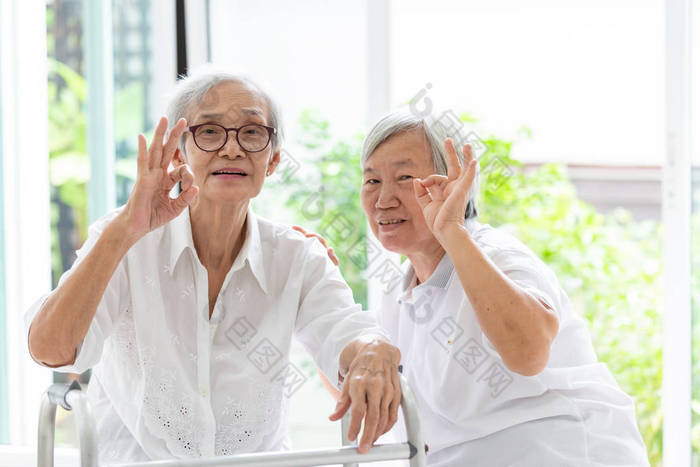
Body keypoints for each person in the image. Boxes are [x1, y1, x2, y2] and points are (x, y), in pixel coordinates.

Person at [24, 69, 401, 463]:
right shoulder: (126, 240)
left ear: (272, 161)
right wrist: (123, 232)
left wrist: (374, 350)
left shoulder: (297, 258)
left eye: (252, 132)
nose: (232, 149)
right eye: (209, 131)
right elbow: (51, 350)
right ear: (177, 153)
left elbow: (346, 330)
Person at [305, 109, 649, 466]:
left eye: (405, 177)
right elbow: (370, 402)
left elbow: (529, 354)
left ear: (456, 184)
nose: (383, 199)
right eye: (372, 180)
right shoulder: (400, 294)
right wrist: (315, 299)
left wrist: (450, 229)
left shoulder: (496, 254)